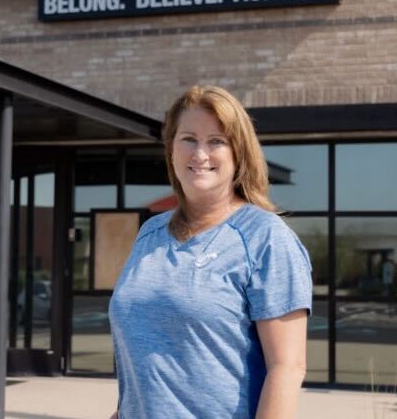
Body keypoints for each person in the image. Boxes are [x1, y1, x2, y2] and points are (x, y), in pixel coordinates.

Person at [108, 85, 313, 419]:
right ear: (171, 149)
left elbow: (287, 368)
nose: (200, 154)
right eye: (188, 139)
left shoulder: (266, 237)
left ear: (238, 154)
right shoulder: (150, 234)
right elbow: (143, 364)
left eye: (216, 141)